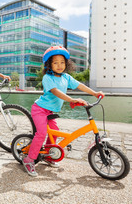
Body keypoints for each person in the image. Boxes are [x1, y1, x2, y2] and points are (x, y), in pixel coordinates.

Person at [22, 46, 104, 177]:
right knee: (41, 134)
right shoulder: (47, 78)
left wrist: (94, 93)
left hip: (51, 113)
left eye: (62, 62)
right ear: (49, 64)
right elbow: (56, 91)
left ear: (67, 64)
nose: (59, 65)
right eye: (55, 62)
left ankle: (48, 156)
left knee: (54, 134)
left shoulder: (66, 77)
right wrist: (71, 99)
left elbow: (80, 85)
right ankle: (29, 160)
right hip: (40, 110)